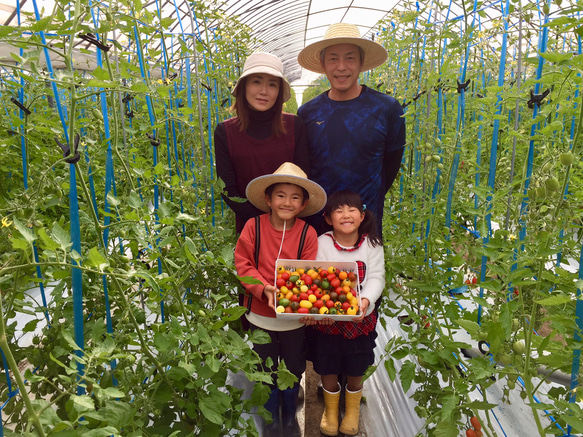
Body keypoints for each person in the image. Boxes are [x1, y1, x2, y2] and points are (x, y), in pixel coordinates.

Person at [234, 162, 327, 437]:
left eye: (295, 197)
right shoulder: (254, 227)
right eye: (281, 195)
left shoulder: (307, 234)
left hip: (293, 321)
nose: (287, 202)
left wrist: (299, 300)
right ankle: (271, 418)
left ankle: (288, 418)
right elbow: (243, 266)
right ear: (268, 199)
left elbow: (309, 274)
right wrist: (264, 289)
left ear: (303, 204)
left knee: (294, 366)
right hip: (260, 316)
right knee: (265, 367)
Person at [297, 23, 406, 235]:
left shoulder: (386, 108)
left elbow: (391, 164)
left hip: (365, 221)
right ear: (323, 63)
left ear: (361, 62)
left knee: (364, 269)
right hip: (318, 222)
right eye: (333, 58)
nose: (341, 67)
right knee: (316, 270)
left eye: (350, 58)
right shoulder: (308, 113)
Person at [303, 189, 384, 436]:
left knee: (356, 364)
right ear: (328, 219)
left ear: (362, 216)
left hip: (359, 320)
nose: (345, 215)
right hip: (329, 321)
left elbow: (377, 277)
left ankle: (352, 411)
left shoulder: (372, 244)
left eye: (351, 210)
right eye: (338, 210)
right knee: (328, 364)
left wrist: (365, 301)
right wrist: (320, 310)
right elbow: (316, 279)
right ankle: (330, 410)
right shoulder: (323, 243)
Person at [215, 52, 311, 235]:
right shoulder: (225, 132)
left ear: (278, 91)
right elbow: (227, 188)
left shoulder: (294, 126)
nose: (264, 91)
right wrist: (259, 223)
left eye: (272, 84)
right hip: (250, 230)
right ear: (244, 87)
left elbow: (303, 178)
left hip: (292, 226)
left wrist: (282, 220)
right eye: (256, 82)